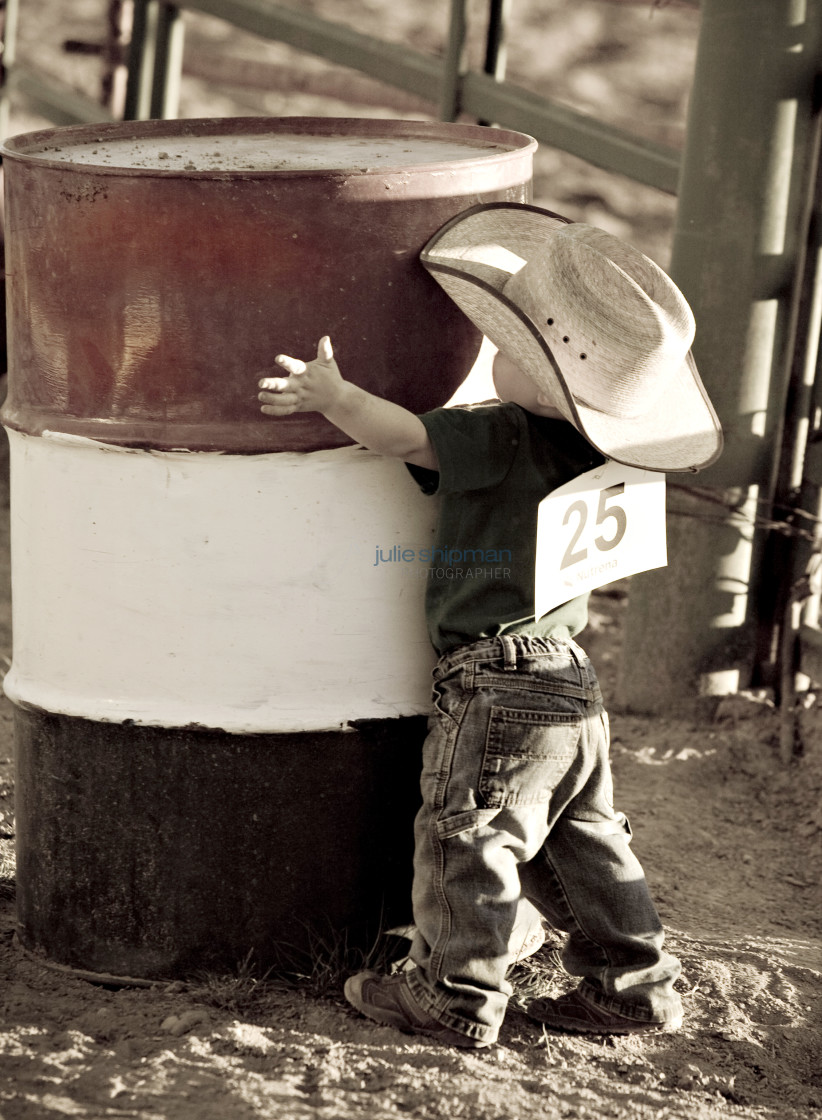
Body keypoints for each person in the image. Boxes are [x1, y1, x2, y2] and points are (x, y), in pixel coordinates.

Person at [257, 202, 722, 1049]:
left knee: (467, 834)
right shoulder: (607, 452)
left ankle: (455, 995)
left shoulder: (503, 434)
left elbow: (403, 437)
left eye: (509, 351)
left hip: (495, 679)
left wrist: (334, 395)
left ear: (544, 383)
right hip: (573, 679)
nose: (495, 360)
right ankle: (634, 986)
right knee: (585, 840)